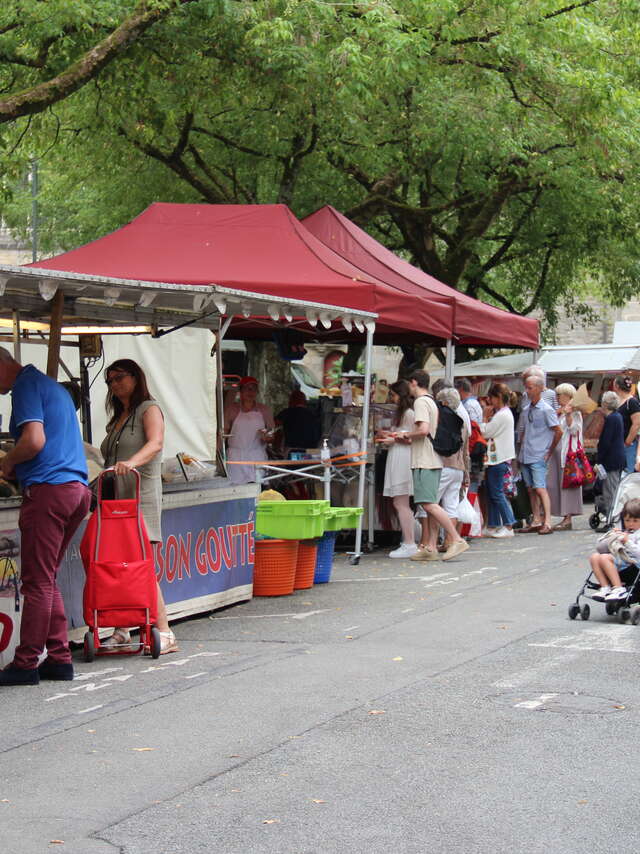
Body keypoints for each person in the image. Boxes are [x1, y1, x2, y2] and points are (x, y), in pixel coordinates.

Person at [0, 348, 91, 686]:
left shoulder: (25, 386)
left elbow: (34, 440)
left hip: (49, 491)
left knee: (37, 581)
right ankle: (59, 658)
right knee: (47, 576)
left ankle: (25, 663)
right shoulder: (50, 386)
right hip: (76, 491)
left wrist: (8, 462)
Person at [100, 359, 177, 655]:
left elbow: (156, 443)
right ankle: (123, 629)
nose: (115, 384)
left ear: (136, 377)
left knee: (141, 565)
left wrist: (132, 462)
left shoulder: (149, 408)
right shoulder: (120, 416)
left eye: (120, 377)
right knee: (120, 565)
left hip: (140, 497)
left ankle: (165, 631)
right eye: (109, 380)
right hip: (115, 501)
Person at [400, 370, 468, 561]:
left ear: (414, 382)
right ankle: (430, 547)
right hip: (433, 458)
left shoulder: (421, 402)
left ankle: (456, 538)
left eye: (408, 384)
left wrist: (405, 434)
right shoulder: (431, 400)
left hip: (425, 460)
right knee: (430, 502)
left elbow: (423, 430)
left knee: (429, 503)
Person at [516, 374, 562, 535]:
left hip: (538, 453)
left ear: (539, 389)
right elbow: (523, 431)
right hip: (527, 453)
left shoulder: (546, 409)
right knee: (531, 488)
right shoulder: (527, 409)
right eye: (527, 387)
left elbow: (558, 430)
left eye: (530, 387)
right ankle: (536, 519)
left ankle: (547, 521)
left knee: (540, 488)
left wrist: (549, 450)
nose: (527, 391)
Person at [379, 380, 417, 558]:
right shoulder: (404, 414)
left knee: (400, 502)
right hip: (398, 456)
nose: (391, 398)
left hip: (402, 457)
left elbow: (411, 438)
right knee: (399, 502)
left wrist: (394, 439)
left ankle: (409, 542)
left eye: (393, 394)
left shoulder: (408, 413)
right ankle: (408, 540)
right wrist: (391, 436)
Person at [431, 386, 469, 551]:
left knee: (430, 505)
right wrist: (466, 474)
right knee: (451, 506)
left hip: (444, 466)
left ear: (444, 403)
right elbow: (466, 451)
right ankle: (450, 542)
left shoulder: (442, 422)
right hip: (458, 468)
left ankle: (430, 543)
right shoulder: (462, 422)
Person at [480, 382, 516, 538]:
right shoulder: (505, 413)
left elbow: (486, 432)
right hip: (497, 458)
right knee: (492, 493)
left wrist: (484, 418)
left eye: (492, 398)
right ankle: (493, 525)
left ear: (498, 397)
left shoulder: (502, 415)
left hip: (498, 459)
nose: (490, 401)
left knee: (497, 493)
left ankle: (509, 525)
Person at [224, 376, 275, 484]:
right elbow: (222, 434)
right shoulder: (232, 409)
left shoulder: (264, 410)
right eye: (247, 388)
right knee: (234, 489)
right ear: (241, 391)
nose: (250, 392)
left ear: (257, 391)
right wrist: (217, 455)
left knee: (257, 488)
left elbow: (272, 435)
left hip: (257, 456)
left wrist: (267, 437)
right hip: (235, 457)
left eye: (254, 389)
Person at [547, 382, 583, 531]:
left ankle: (567, 517)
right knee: (557, 483)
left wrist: (568, 415)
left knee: (567, 483)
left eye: (559, 395)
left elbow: (574, 430)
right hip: (558, 452)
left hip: (568, 454)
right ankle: (564, 515)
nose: (557, 397)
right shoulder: (561, 411)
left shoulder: (575, 412)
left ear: (568, 396)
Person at [589, 498, 640, 602]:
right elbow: (600, 548)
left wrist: (627, 542)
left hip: (633, 565)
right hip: (620, 562)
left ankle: (618, 588)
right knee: (594, 557)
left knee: (604, 558)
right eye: (627, 520)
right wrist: (611, 537)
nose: (631, 524)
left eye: (635, 521)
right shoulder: (624, 531)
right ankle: (605, 587)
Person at [598, 391, 625, 515]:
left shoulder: (611, 419)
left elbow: (605, 442)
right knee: (613, 489)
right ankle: (611, 517)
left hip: (611, 460)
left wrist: (599, 461)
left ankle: (611, 519)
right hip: (617, 458)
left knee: (610, 491)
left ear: (605, 404)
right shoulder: (617, 416)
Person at [275, 390, 320, 455]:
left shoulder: (286, 413)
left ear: (291, 401)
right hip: (311, 452)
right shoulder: (314, 416)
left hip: (292, 451)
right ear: (305, 402)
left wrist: (277, 448)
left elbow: (276, 429)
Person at [613, 375, 640, 474]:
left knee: (628, 472)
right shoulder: (618, 401)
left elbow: (637, 424)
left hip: (628, 445)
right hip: (619, 444)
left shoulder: (632, 402)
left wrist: (627, 442)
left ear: (617, 386)